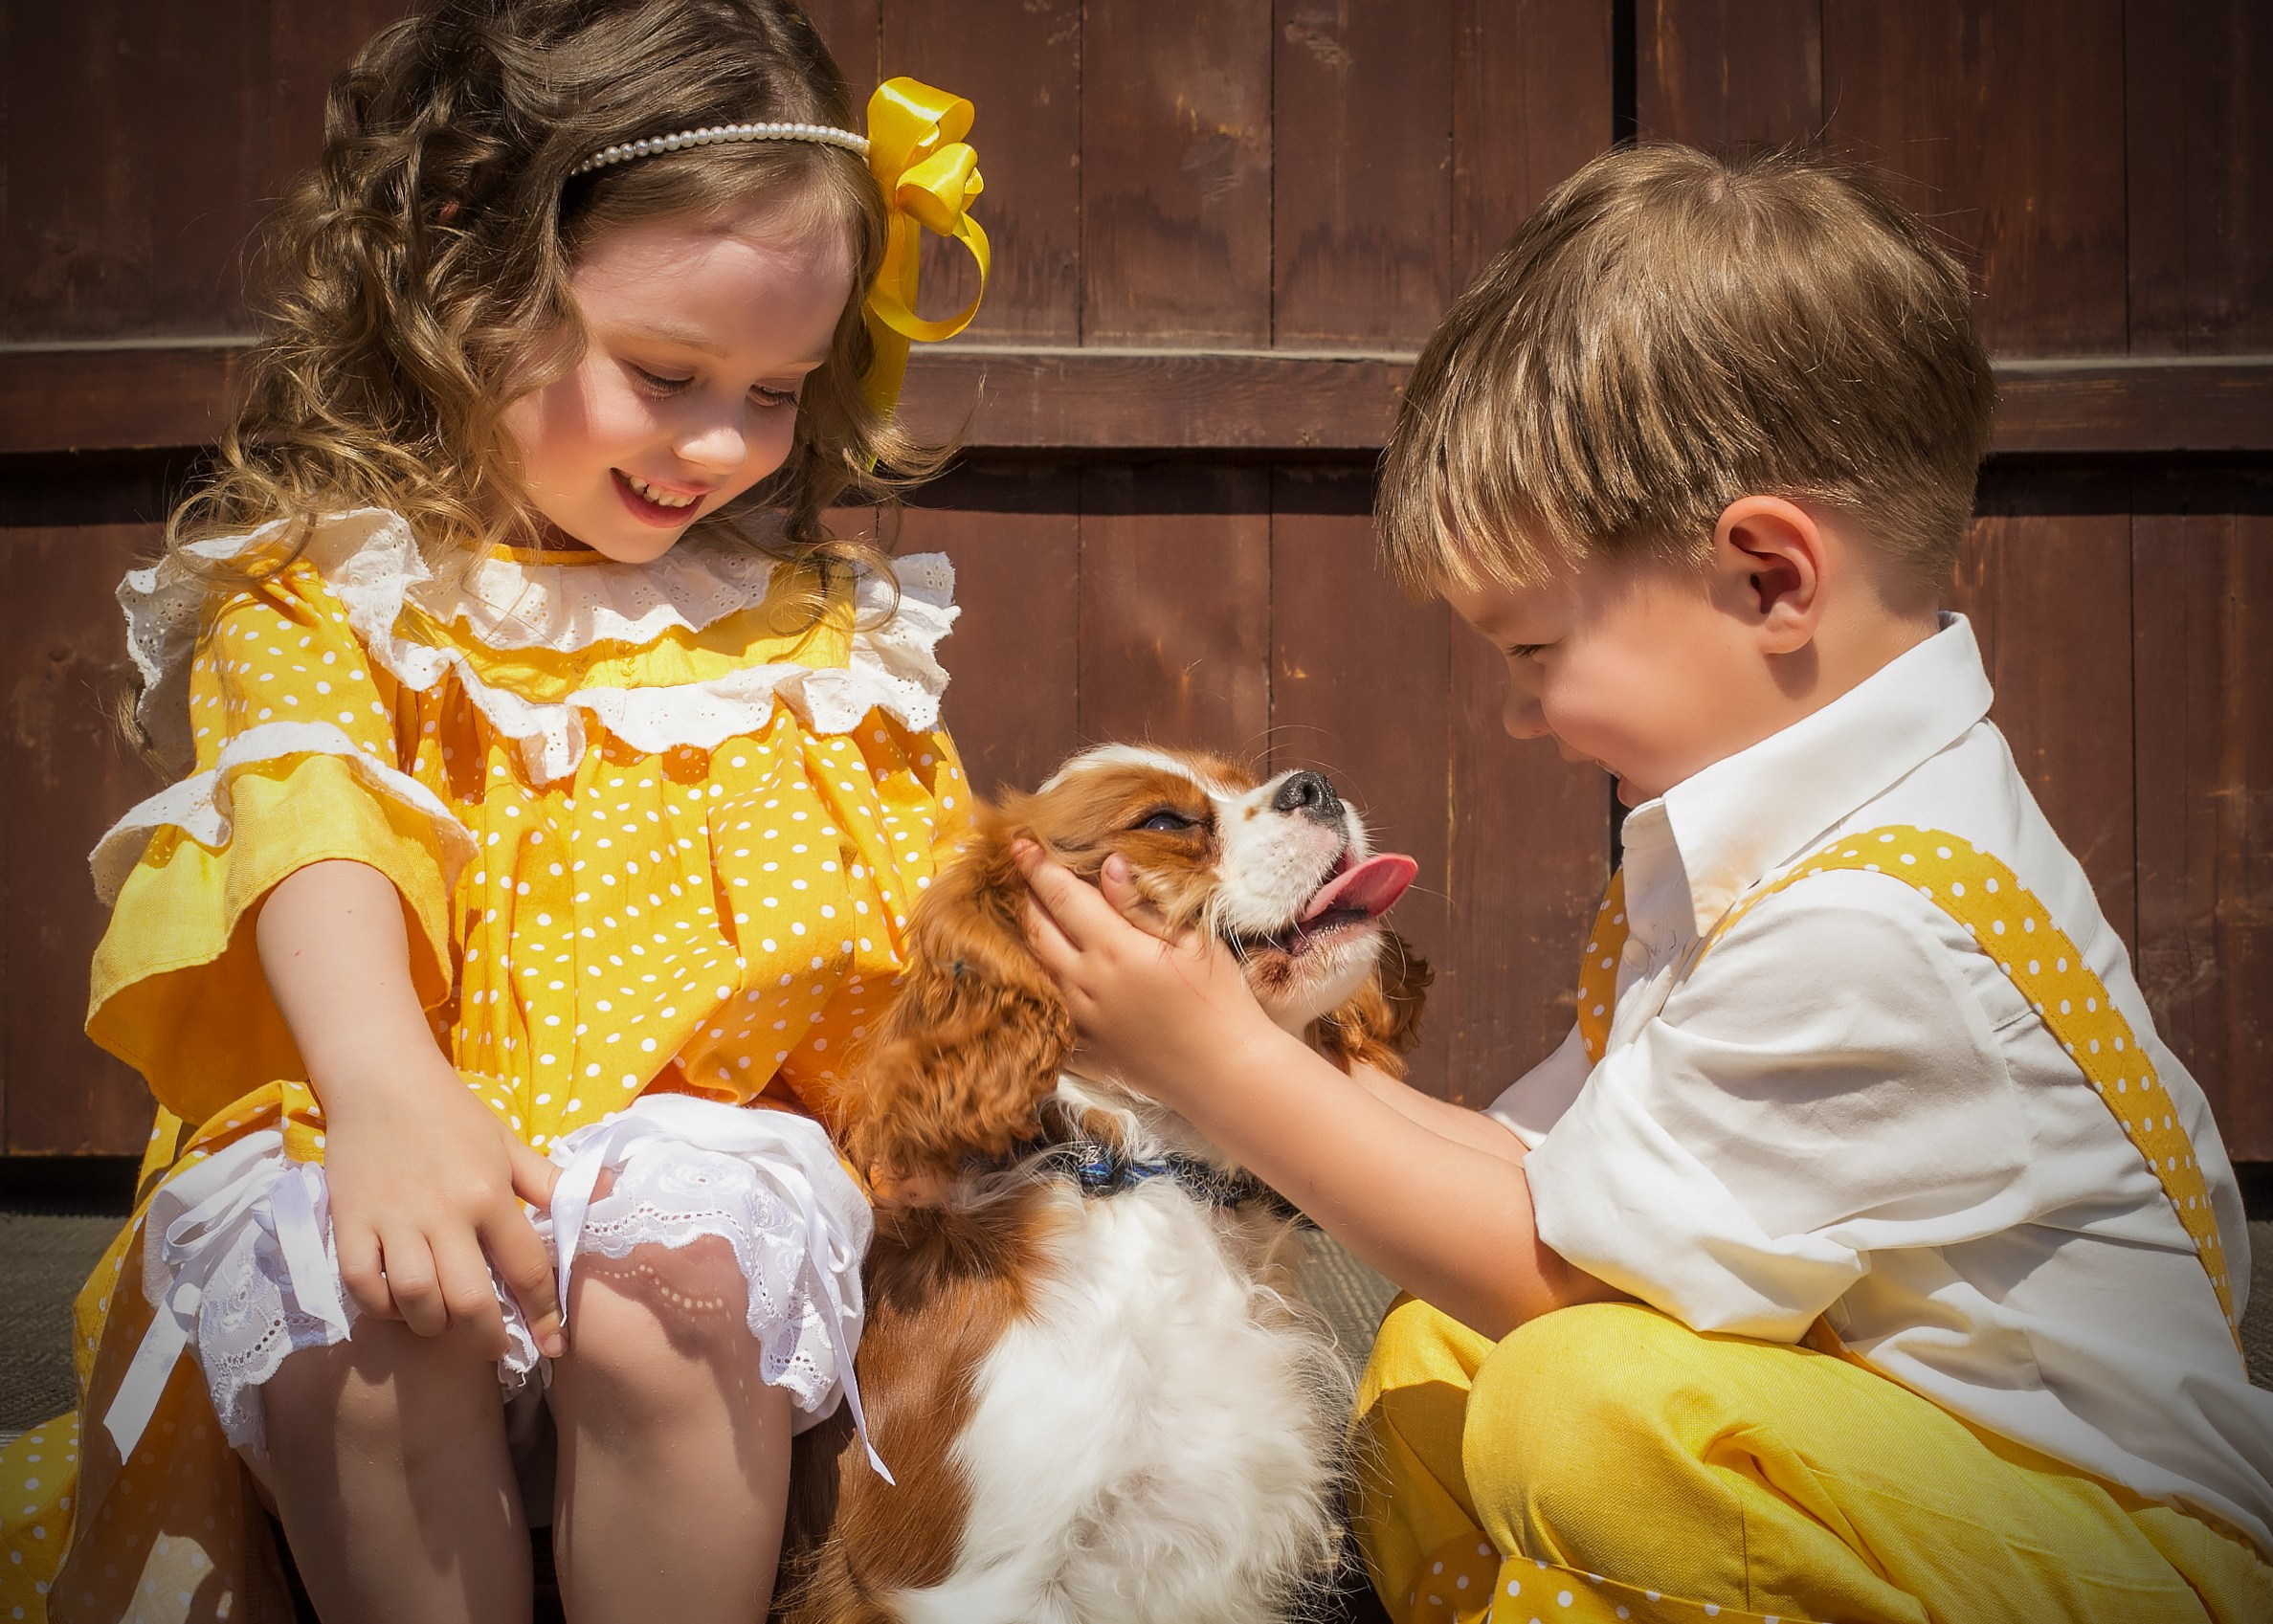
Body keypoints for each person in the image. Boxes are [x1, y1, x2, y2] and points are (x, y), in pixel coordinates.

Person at [1014, 145, 2273, 1623]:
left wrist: (1219, 1066)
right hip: (1920, 1481)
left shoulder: (1870, 930)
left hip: (2123, 1566)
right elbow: (1543, 1181)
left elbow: (1563, 1274)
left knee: (1581, 1398)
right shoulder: (1799, 838)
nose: (1519, 715)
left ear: (1769, 580)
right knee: (1431, 1355)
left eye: (1535, 654)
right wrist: (1230, 1024)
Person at [0, 3, 989, 1620]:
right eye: (666, 371)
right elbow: (312, 822)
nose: (721, 441)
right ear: (469, 280)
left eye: (776, 388)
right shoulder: (327, 591)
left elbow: (930, 924)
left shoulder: (811, 635)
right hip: (379, 1116)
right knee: (347, 1286)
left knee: (686, 1260)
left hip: (698, 1193)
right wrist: (386, 1087)